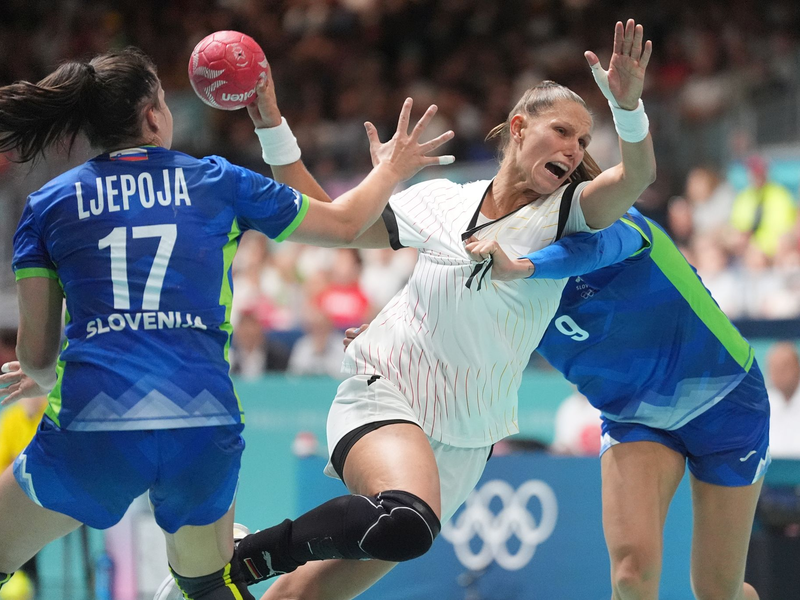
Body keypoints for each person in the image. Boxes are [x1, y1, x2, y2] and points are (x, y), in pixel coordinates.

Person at [157, 18, 657, 600]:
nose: (575, 151)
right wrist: (272, 125)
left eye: (583, 142)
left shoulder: (570, 214)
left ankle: (222, 573)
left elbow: (638, 174)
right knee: (407, 520)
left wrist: (629, 109)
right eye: (564, 132)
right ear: (519, 128)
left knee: (302, 596)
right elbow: (329, 220)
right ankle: (232, 562)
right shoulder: (442, 202)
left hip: (468, 438)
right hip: (387, 389)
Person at [0, 45, 452, 600]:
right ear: (152, 116)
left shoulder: (48, 204)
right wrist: (391, 168)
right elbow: (346, 224)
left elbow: (40, 359)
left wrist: (50, 379)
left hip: (95, 424)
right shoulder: (215, 180)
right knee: (205, 584)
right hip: (201, 421)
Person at [347, 204, 768, 600]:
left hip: (726, 402)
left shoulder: (619, 225)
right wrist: (390, 341)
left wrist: (525, 268)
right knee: (630, 575)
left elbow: (599, 247)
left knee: (717, 591)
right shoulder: (501, 283)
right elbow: (453, 334)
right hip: (634, 418)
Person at [765, 342, 800, 458]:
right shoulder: (764, 403)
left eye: (784, 367)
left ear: (797, 368)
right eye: (774, 368)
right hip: (772, 472)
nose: (778, 374)